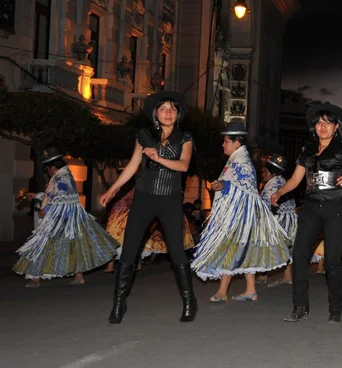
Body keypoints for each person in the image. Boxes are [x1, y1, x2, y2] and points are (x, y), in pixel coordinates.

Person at [99, 91, 197, 324]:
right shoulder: (143, 136)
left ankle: (189, 301)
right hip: (143, 198)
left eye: (172, 109)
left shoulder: (185, 138)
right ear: (156, 114)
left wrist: (158, 156)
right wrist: (112, 190)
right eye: (163, 108)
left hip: (170, 199)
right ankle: (119, 303)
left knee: (176, 251)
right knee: (130, 248)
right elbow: (133, 166)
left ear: (178, 114)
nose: (168, 112)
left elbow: (183, 166)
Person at [271, 101, 342, 324]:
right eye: (319, 122)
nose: (323, 126)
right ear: (314, 126)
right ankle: (300, 306)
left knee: (332, 260)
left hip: (335, 208)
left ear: (336, 127)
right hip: (311, 208)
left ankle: (336, 308)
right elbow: (296, 180)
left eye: (328, 122)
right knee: (299, 255)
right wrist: (278, 192)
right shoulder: (307, 151)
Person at [191, 122, 292, 302]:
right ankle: (250, 289)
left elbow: (244, 187)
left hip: (239, 215)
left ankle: (223, 292)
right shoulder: (238, 159)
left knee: (229, 248)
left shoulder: (241, 161)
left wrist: (224, 185)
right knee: (244, 248)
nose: (223, 145)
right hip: (242, 214)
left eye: (226, 141)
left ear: (236, 142)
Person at [13, 148, 119, 287]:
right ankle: (78, 276)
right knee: (73, 246)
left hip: (61, 219)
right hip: (70, 218)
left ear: (53, 167)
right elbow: (56, 196)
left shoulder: (60, 178)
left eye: (47, 169)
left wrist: (47, 209)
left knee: (42, 245)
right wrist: (38, 195)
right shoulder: (65, 176)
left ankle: (35, 278)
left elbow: (60, 200)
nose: (47, 172)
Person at [257, 154, 298, 287]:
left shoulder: (272, 185)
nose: (262, 174)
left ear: (270, 173)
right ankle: (286, 275)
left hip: (279, 220)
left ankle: (264, 275)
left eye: (264, 172)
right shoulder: (282, 180)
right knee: (287, 247)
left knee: (265, 245)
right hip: (289, 218)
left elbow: (263, 205)